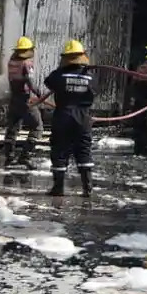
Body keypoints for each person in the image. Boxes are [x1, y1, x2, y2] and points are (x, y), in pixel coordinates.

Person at [43, 40, 97, 197]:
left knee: (60, 149)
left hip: (63, 116)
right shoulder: (90, 77)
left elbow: (48, 83)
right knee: (83, 149)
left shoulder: (59, 75)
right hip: (83, 117)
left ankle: (58, 188)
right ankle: (87, 188)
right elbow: (95, 91)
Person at [0, 36, 43, 167]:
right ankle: (25, 156)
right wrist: (39, 93)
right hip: (25, 100)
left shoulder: (12, 61)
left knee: (12, 128)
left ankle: (9, 158)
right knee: (37, 127)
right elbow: (30, 81)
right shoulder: (26, 63)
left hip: (14, 99)